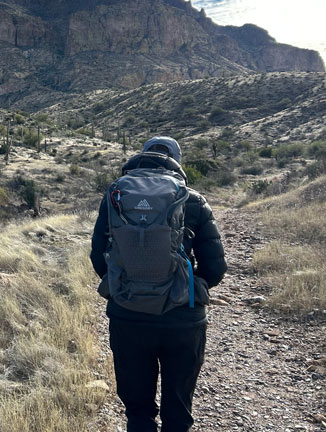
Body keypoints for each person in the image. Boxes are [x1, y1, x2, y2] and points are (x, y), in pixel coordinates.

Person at [90, 136, 227, 432]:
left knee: (138, 411)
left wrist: (128, 284)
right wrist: (188, 285)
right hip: (183, 319)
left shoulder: (115, 196)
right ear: (177, 160)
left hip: (128, 316)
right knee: (178, 409)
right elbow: (215, 269)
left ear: (142, 157)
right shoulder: (193, 199)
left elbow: (99, 259)